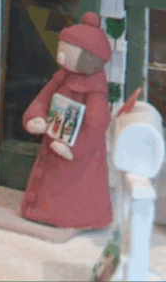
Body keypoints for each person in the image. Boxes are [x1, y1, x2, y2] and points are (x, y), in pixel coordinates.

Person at [21, 12, 113, 229]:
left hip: (77, 152)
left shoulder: (95, 92)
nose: (61, 56)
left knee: (76, 186)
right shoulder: (61, 79)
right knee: (49, 180)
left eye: (68, 52)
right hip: (55, 138)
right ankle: (41, 211)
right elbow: (42, 100)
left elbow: (96, 124)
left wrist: (75, 148)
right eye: (61, 50)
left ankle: (79, 218)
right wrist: (35, 117)